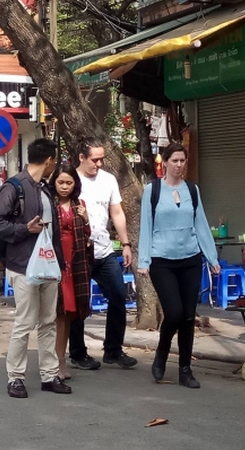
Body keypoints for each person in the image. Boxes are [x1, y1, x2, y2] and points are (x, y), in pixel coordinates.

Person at [0, 138, 70, 398]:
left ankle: (49, 375)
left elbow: (53, 231)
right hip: (23, 266)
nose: (53, 166)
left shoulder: (44, 189)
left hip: (48, 267)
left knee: (48, 322)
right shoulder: (14, 187)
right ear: (48, 161)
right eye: (53, 162)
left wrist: (59, 263)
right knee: (24, 323)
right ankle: (15, 378)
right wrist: (25, 229)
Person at [138, 143, 221, 388]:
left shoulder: (192, 190)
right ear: (164, 162)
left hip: (190, 259)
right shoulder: (152, 190)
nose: (179, 165)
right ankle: (162, 352)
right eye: (174, 160)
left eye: (182, 161)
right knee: (173, 312)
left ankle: (185, 368)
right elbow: (145, 226)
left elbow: (201, 224)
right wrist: (144, 260)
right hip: (162, 259)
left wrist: (212, 258)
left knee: (187, 317)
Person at [68, 137, 137, 370]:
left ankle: (113, 350)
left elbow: (116, 212)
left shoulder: (108, 180)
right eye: (94, 159)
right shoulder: (70, 180)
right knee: (79, 304)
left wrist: (125, 244)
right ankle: (77, 353)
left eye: (101, 159)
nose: (98, 164)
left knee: (118, 296)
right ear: (81, 157)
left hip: (105, 251)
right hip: (79, 252)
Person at [49, 163, 92, 382]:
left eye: (69, 182)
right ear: (54, 183)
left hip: (74, 264)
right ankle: (53, 362)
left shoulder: (79, 205)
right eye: (60, 182)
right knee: (55, 315)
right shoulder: (48, 204)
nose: (64, 187)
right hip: (53, 262)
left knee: (67, 316)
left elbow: (87, 235)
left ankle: (61, 360)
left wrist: (86, 219)